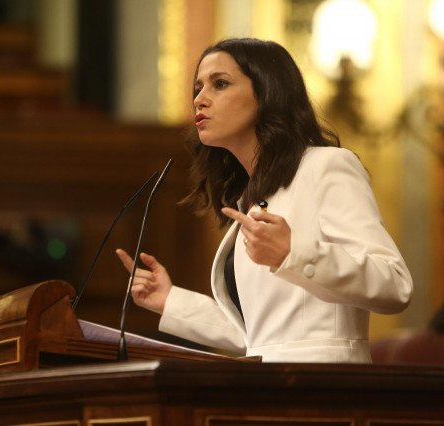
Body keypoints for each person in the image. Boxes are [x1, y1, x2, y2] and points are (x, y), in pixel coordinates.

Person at [116, 38, 413, 363]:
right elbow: (261, 337)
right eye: (198, 88)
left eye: (220, 84)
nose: (200, 99)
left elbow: (394, 286)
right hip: (264, 390)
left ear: (268, 93)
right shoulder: (250, 196)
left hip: (327, 392)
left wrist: (293, 252)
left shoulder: (326, 166)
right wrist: (169, 301)